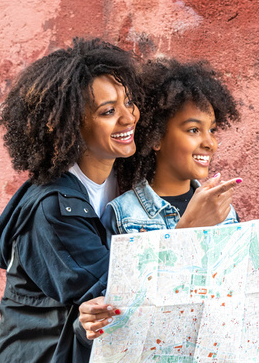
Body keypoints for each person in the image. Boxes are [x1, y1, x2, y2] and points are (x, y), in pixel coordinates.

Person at [0, 39, 239, 363]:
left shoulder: (123, 176)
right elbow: (124, 300)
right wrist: (191, 228)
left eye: (129, 102)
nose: (128, 117)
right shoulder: (54, 209)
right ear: (72, 125)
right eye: (108, 111)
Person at [102, 58, 241, 234]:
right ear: (156, 138)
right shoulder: (123, 215)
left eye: (212, 130)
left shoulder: (223, 212)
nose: (209, 143)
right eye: (193, 130)